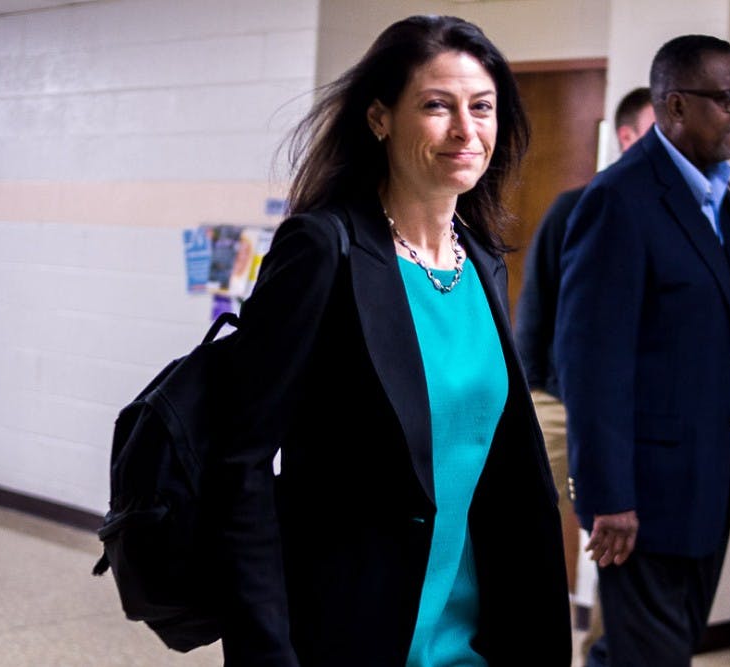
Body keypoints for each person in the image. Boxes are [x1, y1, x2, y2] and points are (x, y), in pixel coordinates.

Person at [214, 15, 571, 667]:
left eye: (482, 107)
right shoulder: (324, 250)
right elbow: (239, 464)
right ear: (379, 118)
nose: (466, 130)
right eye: (437, 106)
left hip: (474, 637)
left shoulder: (483, 261)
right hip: (350, 631)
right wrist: (266, 647)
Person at [554, 35, 730, 666]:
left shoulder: (713, 193)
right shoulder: (619, 200)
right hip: (643, 500)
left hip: (705, 487)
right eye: (726, 97)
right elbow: (593, 364)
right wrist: (608, 497)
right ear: (675, 107)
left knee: (653, 654)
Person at [513, 85, 653, 654]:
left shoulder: (675, 219)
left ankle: (603, 653)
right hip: (554, 401)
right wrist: (529, 394)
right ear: (626, 137)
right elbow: (535, 310)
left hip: (629, 419)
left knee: (624, 551)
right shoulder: (577, 208)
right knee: (521, 534)